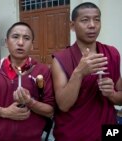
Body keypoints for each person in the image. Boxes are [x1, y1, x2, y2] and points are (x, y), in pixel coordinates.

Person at [51, 2, 122, 141]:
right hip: (74, 134)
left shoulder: (111, 53)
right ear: (72, 25)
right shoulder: (61, 59)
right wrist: (78, 73)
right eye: (85, 20)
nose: (92, 25)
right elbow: (63, 105)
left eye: (97, 19)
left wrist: (111, 94)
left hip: (109, 131)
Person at [0, 22, 55, 141]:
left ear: (32, 45)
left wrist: (30, 102)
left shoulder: (42, 71)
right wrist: (5, 112)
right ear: (6, 42)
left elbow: (50, 111)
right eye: (15, 37)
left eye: (26, 38)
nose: (21, 42)